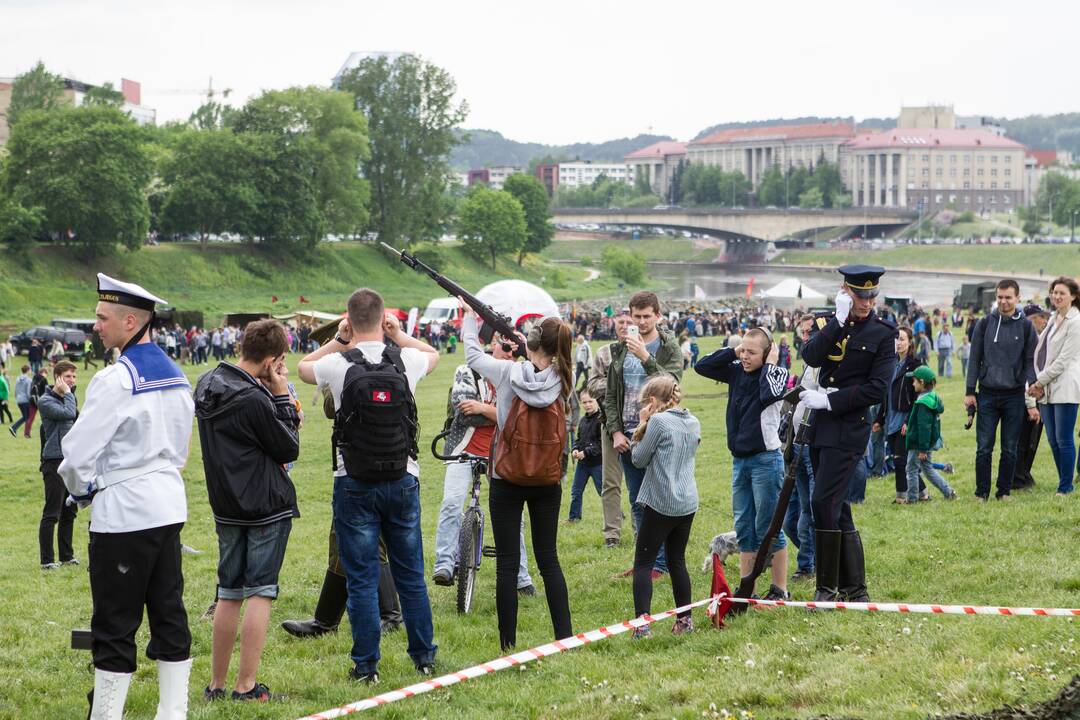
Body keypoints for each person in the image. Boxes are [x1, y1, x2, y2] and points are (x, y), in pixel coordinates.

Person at [59, 274, 195, 719]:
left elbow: (77, 456)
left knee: (115, 624)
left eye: (102, 318)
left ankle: (107, 714)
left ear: (130, 321)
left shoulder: (114, 380)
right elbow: (180, 451)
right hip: (168, 506)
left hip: (123, 514)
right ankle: (173, 711)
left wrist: (81, 493)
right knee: (169, 613)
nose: (95, 325)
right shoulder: (177, 376)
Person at [298, 288, 439, 683]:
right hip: (402, 476)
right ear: (383, 319)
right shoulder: (406, 359)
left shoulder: (338, 365)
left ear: (348, 318)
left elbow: (303, 367)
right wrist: (399, 335)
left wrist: (339, 339)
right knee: (410, 574)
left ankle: (366, 666)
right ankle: (424, 656)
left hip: (353, 480)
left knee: (361, 578)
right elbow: (434, 354)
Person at [195, 319, 301, 701]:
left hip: (226, 504)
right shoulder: (256, 399)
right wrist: (282, 396)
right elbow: (288, 447)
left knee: (228, 592)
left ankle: (217, 684)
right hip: (264, 505)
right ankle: (246, 685)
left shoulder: (207, 383)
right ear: (274, 360)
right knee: (260, 591)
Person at [463, 308, 573, 652]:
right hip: (547, 480)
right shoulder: (565, 377)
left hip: (506, 476)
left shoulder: (508, 372)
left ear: (533, 341)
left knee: (508, 564)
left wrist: (469, 316)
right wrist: (528, 346)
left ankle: (507, 644)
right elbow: (541, 366)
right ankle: (564, 636)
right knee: (548, 559)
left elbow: (470, 352)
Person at [800, 265, 897, 603]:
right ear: (845, 291)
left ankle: (827, 590)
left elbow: (877, 388)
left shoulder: (884, 333)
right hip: (820, 429)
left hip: (849, 427)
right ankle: (855, 589)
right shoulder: (829, 322)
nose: (866, 302)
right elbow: (810, 355)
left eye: (871, 296)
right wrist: (838, 322)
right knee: (836, 507)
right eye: (860, 295)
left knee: (822, 501)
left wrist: (830, 401)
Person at [696, 328, 790, 600]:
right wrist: (733, 351)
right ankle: (747, 588)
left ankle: (779, 589)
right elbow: (702, 366)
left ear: (767, 352)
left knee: (769, 527)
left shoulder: (776, 374)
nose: (746, 357)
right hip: (740, 460)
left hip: (766, 460)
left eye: (752, 352)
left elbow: (769, 393)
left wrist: (770, 363)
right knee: (745, 526)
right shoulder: (736, 370)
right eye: (743, 351)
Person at [432, 347, 535, 594]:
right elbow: (465, 413)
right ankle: (444, 564)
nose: (511, 354)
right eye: (507, 347)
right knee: (451, 503)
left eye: (517, 351)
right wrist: (500, 414)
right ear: (494, 343)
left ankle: (521, 578)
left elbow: (520, 418)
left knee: (514, 517)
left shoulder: (518, 375)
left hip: (502, 453)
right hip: (464, 449)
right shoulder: (467, 370)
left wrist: (482, 408)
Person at [604, 292, 683, 576]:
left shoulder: (668, 347)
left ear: (658, 316)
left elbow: (671, 386)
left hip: (659, 431)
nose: (640, 321)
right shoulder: (621, 348)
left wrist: (646, 357)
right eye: (635, 317)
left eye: (646, 316)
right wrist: (615, 431)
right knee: (637, 501)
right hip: (627, 434)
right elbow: (611, 395)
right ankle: (645, 563)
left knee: (659, 500)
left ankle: (661, 564)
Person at [628, 375, 700, 638]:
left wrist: (642, 423)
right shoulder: (693, 421)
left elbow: (638, 458)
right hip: (687, 500)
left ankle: (642, 625)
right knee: (677, 560)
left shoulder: (657, 421)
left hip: (662, 501)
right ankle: (685, 621)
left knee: (644, 562)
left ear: (652, 401)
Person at [965, 279, 1038, 501]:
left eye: (1008, 297)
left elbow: (1029, 362)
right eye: (1000, 297)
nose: (1003, 301)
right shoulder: (984, 324)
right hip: (986, 393)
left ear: (1017, 298)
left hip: (1014, 395)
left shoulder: (1026, 327)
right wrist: (970, 392)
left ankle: (1004, 491)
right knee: (984, 448)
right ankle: (982, 492)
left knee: (1009, 448)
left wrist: (1030, 392)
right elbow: (974, 358)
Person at [1029, 276, 1080, 496]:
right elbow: (1043, 352)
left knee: (1064, 438)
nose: (1057, 296)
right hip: (1047, 385)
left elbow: (1063, 360)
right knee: (1052, 439)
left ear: (1073, 296)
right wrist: (1040, 381)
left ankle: (1065, 487)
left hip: (1065, 385)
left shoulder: (1076, 321)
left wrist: (1039, 381)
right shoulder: (1053, 318)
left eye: (1062, 293)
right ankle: (1064, 479)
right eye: (1054, 292)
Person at [586, 311, 631, 548]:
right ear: (614, 323)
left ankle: (641, 528)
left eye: (629, 322)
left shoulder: (644, 351)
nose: (625, 326)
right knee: (610, 481)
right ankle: (612, 533)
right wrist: (617, 383)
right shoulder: (604, 352)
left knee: (642, 481)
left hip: (641, 424)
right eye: (621, 322)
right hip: (609, 424)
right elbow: (592, 386)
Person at [875, 327, 927, 503]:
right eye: (896, 339)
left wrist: (909, 420)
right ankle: (923, 493)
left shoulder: (916, 365)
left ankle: (901, 497)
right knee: (904, 461)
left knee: (900, 460)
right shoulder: (890, 364)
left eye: (903, 339)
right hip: (890, 418)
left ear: (910, 342)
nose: (899, 343)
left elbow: (919, 397)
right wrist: (879, 419)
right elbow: (885, 394)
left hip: (905, 418)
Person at [37, 361, 80, 569]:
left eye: (74, 377)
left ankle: (66, 556)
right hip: (53, 461)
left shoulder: (69, 398)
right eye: (68, 376)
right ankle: (47, 560)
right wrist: (69, 395)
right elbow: (68, 414)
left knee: (69, 511)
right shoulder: (45, 401)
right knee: (52, 512)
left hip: (71, 460)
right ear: (58, 378)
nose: (72, 381)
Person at [903, 366, 956, 503]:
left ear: (921, 382)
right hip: (925, 443)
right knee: (927, 469)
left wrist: (922, 449)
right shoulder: (931, 397)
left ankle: (912, 498)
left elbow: (924, 427)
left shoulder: (923, 403)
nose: (912, 384)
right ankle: (949, 492)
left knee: (911, 469)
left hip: (919, 443)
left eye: (914, 381)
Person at [1014, 305, 1049, 492]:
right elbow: (1027, 373)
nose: (1043, 321)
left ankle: (1024, 473)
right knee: (1024, 439)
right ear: (1030, 318)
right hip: (1026, 397)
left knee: (1032, 439)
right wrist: (1030, 403)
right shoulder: (1026, 340)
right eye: (1040, 317)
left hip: (1035, 395)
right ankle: (1018, 477)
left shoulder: (1036, 338)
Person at [568, 387, 603, 522]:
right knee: (576, 491)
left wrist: (586, 452)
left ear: (596, 401)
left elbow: (601, 445)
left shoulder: (601, 419)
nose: (587, 405)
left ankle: (617, 514)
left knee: (603, 492)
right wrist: (575, 449)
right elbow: (578, 439)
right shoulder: (582, 421)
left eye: (590, 401)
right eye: (584, 402)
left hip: (597, 464)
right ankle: (574, 518)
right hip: (582, 465)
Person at [10, 364, 32, 437]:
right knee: (27, 417)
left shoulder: (17, 378)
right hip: (25, 400)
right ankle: (14, 428)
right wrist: (30, 400)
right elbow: (28, 392)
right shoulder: (29, 380)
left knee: (25, 416)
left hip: (19, 400)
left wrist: (16, 397)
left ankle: (15, 428)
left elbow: (16, 389)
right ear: (28, 370)